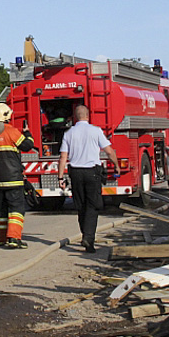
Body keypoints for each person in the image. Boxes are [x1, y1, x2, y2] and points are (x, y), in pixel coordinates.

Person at [57, 105, 118, 253]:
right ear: (88, 116)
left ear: (76, 117)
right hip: (92, 173)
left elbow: (63, 157)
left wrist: (60, 177)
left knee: (81, 205)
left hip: (75, 173)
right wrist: (116, 165)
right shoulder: (96, 131)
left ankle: (85, 234)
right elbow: (109, 151)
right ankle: (88, 239)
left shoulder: (69, 133)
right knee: (93, 205)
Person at [0, 103, 35, 249]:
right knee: (16, 209)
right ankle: (14, 238)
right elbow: (27, 146)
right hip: (13, 179)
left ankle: (0, 239)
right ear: (6, 116)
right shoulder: (11, 131)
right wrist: (28, 133)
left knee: (0, 211)